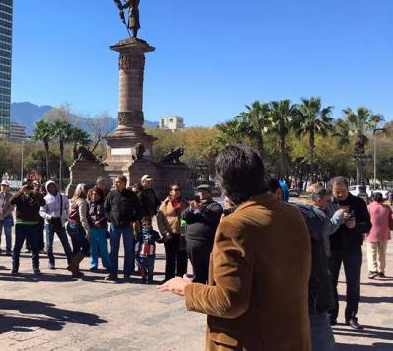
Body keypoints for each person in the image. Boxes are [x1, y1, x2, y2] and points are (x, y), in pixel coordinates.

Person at [159, 144, 311, 350]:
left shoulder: (235, 225)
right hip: (291, 338)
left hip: (250, 341)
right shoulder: (293, 214)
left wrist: (187, 289)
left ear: (224, 186)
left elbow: (229, 302)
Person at [295, 187, 337, 350]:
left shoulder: (314, 216)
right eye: (328, 200)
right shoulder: (314, 216)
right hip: (313, 288)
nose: (330, 203)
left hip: (314, 289)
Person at [328, 176, 371, 329]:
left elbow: (367, 225)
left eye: (343, 191)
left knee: (353, 284)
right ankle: (331, 315)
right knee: (330, 282)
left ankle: (351, 316)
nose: (339, 195)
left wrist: (355, 226)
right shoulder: (329, 203)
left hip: (352, 248)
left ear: (348, 188)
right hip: (333, 249)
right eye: (336, 191)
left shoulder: (358, 203)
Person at [182, 184, 223, 284]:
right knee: (197, 272)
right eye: (199, 191)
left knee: (209, 271)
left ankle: (209, 291)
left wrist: (201, 209)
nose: (200, 193)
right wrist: (191, 209)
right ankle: (198, 290)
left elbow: (213, 216)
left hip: (206, 243)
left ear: (209, 193)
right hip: (192, 242)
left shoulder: (215, 205)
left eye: (203, 191)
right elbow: (184, 216)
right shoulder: (194, 205)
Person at [104, 175, 141, 282]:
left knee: (129, 251)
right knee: (113, 250)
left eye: (118, 182)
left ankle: (127, 273)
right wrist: (110, 219)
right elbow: (106, 208)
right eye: (115, 182)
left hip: (127, 227)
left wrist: (133, 220)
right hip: (114, 226)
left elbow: (138, 209)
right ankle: (113, 273)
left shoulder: (131, 195)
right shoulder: (111, 194)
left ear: (124, 183)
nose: (115, 183)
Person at [10, 179, 46, 275]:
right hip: (21, 224)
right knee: (17, 247)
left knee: (35, 247)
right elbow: (12, 201)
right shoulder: (20, 196)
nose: (28, 188)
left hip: (34, 224)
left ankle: (36, 268)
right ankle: (15, 268)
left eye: (29, 186)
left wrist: (36, 192)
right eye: (26, 186)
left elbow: (43, 203)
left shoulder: (35, 195)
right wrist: (20, 191)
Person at [157, 184, 189, 283]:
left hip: (182, 234)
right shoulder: (165, 204)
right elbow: (160, 219)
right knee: (170, 257)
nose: (178, 191)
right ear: (170, 192)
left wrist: (185, 232)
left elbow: (187, 218)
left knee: (182, 257)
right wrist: (165, 233)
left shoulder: (185, 203)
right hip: (169, 234)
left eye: (179, 189)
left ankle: (181, 277)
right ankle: (169, 278)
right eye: (175, 189)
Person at [40, 180, 73, 271]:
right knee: (48, 246)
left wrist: (66, 217)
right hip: (49, 223)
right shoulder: (45, 199)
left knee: (65, 244)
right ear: (47, 188)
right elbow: (41, 212)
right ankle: (51, 261)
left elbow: (68, 207)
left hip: (60, 223)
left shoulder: (63, 197)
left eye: (53, 186)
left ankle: (70, 262)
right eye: (49, 187)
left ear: (56, 186)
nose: (51, 188)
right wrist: (49, 217)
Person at [67, 184, 91, 278]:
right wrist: (87, 230)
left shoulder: (73, 200)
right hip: (77, 226)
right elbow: (82, 217)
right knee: (86, 247)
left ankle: (75, 271)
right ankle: (73, 266)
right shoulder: (82, 202)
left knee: (76, 248)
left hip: (70, 225)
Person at [366, 192, 392, 279]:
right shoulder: (387, 208)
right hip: (384, 233)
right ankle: (381, 271)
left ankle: (373, 270)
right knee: (382, 253)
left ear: (373, 198)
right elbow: (390, 220)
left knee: (371, 252)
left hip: (371, 233)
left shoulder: (369, 207)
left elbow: (366, 220)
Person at [87, 187, 110, 272]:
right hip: (92, 227)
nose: (94, 196)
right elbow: (87, 215)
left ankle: (107, 264)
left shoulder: (104, 203)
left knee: (103, 247)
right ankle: (94, 264)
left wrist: (100, 221)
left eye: (96, 194)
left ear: (100, 195)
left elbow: (107, 215)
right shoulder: (89, 203)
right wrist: (93, 222)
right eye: (93, 194)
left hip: (101, 227)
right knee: (93, 247)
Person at [135, 216, 162, 284]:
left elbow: (158, 240)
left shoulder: (154, 233)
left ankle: (150, 279)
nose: (146, 226)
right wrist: (136, 253)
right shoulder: (140, 234)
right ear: (142, 225)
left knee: (150, 267)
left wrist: (165, 239)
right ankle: (143, 278)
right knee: (142, 267)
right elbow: (136, 243)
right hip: (142, 254)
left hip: (151, 254)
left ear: (150, 224)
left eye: (148, 224)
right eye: (144, 224)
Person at [0, 181, 14, 256]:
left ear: (8, 187)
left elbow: (11, 208)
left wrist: (4, 215)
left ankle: (8, 250)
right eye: (2, 185)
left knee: (8, 234)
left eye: (5, 185)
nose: (3, 187)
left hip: (7, 217)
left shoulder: (11, 195)